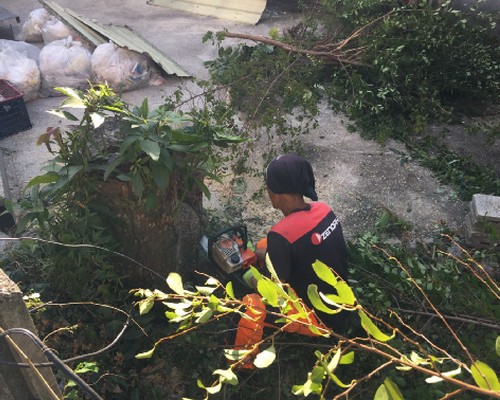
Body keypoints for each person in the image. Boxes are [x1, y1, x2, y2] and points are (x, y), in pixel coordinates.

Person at [232, 153, 349, 368]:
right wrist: (263, 255)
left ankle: (242, 362)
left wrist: (247, 275)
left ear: (275, 195)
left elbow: (272, 291)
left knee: (253, 304)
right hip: (343, 302)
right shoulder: (324, 210)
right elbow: (299, 245)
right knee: (264, 244)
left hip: (321, 320)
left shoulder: (281, 236)